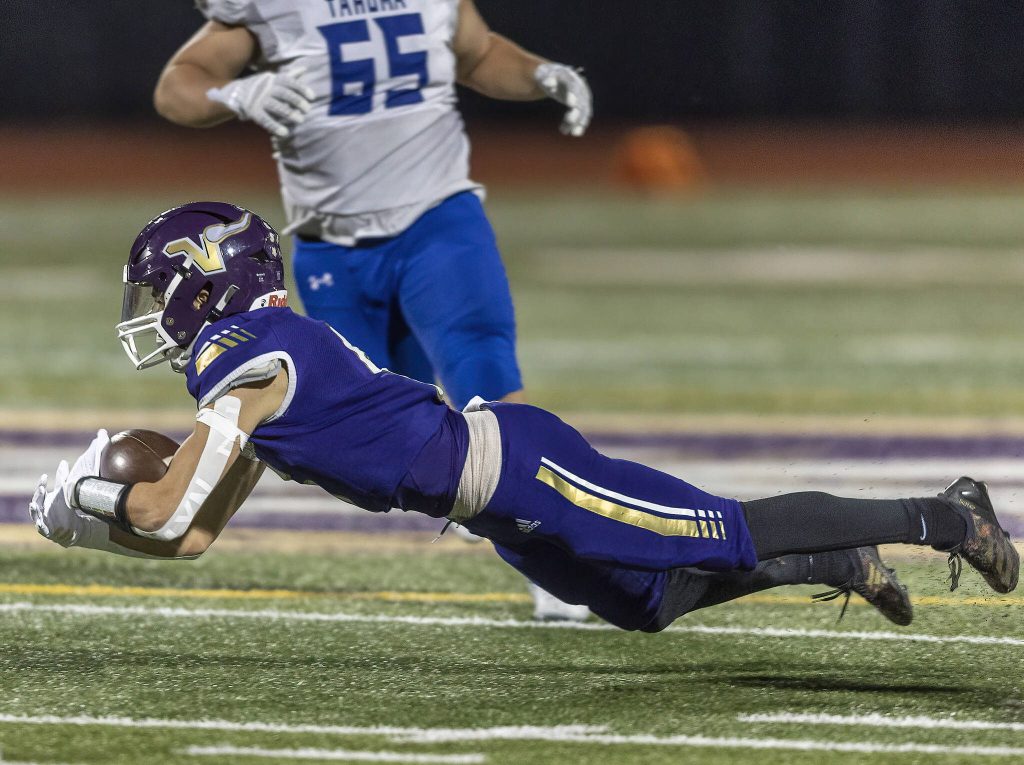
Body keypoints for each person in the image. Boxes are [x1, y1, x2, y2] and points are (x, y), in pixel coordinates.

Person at [29, 204, 1019, 632]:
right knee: (648, 605)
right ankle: (830, 561)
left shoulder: (246, 355)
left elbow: (162, 507)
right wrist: (93, 525)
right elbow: (191, 532)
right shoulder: (258, 369)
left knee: (722, 527)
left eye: (159, 290)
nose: (154, 313)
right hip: (489, 505)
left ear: (206, 283)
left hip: (516, 466)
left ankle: (948, 513)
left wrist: (89, 498)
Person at [153, 0, 593, 620]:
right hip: (332, 246)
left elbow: (478, 53)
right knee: (386, 434)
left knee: (486, 376)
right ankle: (502, 512)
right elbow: (178, 86)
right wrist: (236, 94)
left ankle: (560, 561)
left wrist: (540, 74)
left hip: (439, 221)